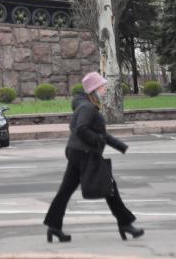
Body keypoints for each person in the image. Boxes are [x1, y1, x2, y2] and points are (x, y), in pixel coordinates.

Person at [43, 71, 144, 242]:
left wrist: (120, 146)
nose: (104, 90)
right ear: (94, 89)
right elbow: (82, 128)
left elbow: (97, 133)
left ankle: (54, 227)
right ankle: (125, 224)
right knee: (109, 187)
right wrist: (97, 141)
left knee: (66, 191)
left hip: (78, 152)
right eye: (102, 87)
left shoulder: (85, 105)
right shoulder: (88, 107)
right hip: (85, 154)